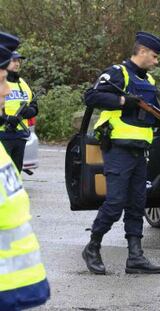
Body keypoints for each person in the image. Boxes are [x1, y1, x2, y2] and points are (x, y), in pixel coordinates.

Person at [82, 31, 160, 275]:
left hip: (140, 150)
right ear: (143, 51)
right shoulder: (118, 73)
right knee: (115, 203)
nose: (157, 62)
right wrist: (124, 101)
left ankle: (135, 257)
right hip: (118, 148)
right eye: (155, 56)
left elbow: (149, 114)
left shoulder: (149, 81)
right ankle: (92, 247)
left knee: (138, 203)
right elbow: (91, 96)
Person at [0, 32, 50, 310]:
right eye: (1, 80)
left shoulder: (25, 85)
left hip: (14, 294)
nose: (7, 90)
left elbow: (33, 104)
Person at [0, 50, 38, 172]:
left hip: (20, 136)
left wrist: (30, 111)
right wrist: (6, 119)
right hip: (3, 136)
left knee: (16, 173)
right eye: (14, 60)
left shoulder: (22, 83)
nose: (17, 64)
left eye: (18, 61)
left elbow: (34, 104)